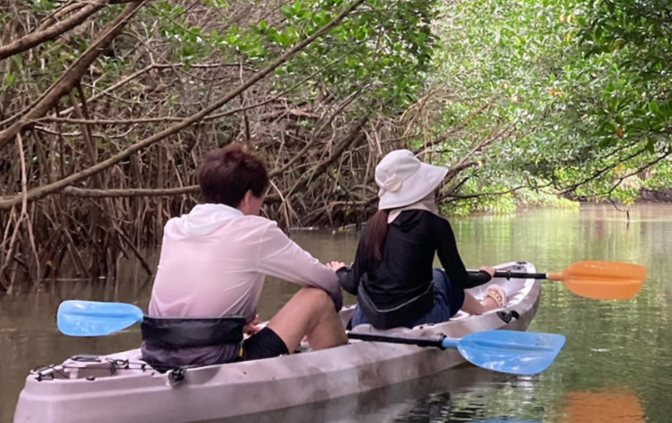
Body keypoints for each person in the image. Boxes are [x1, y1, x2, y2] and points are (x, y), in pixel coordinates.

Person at [141, 143, 347, 370]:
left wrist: (239, 322)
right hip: (217, 359)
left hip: (156, 353)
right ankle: (340, 372)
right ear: (248, 197)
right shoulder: (256, 230)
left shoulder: (175, 227)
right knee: (317, 297)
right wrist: (321, 318)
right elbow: (326, 280)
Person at [332, 149, 504, 329]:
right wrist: (485, 275)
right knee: (443, 278)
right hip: (419, 319)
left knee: (434, 275)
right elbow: (460, 280)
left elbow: (351, 284)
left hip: (365, 319)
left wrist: (340, 270)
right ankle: (484, 309)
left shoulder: (373, 225)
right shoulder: (435, 224)